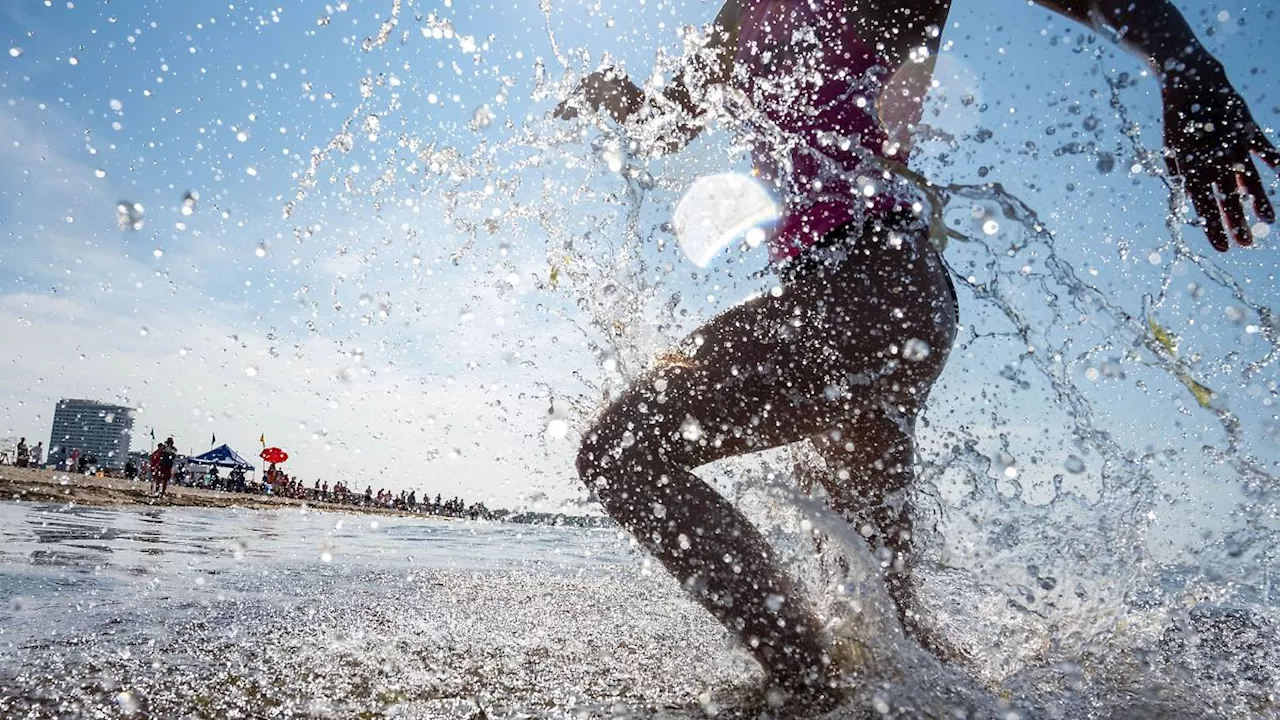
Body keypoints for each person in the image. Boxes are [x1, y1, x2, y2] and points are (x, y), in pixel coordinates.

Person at [563, 0, 1277, 700]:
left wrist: (1191, 71)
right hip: (873, 299)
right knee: (884, 633)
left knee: (622, 452)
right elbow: (673, 118)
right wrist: (616, 96)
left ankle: (807, 695)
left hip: (868, 283)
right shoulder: (740, 10)